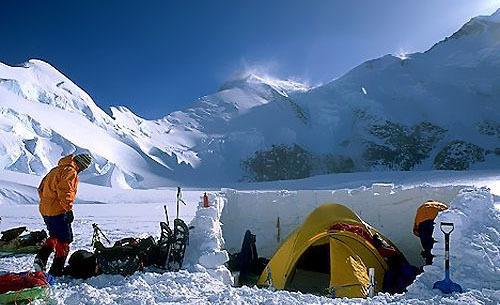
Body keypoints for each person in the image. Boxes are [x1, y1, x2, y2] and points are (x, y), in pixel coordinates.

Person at [33, 154, 93, 276]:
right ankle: (56, 269)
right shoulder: (70, 171)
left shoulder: (55, 170)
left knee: (55, 235)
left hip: (45, 209)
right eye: (84, 168)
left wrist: (47, 203)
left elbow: (41, 188)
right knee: (65, 239)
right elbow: (66, 191)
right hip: (58, 211)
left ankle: (41, 258)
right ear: (81, 164)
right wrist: (68, 209)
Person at [413, 200, 448, 265]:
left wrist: (420, 234)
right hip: (439, 221)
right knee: (440, 243)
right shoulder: (441, 205)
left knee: (428, 245)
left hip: (423, 223)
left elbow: (416, 227)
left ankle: (430, 260)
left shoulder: (422, 207)